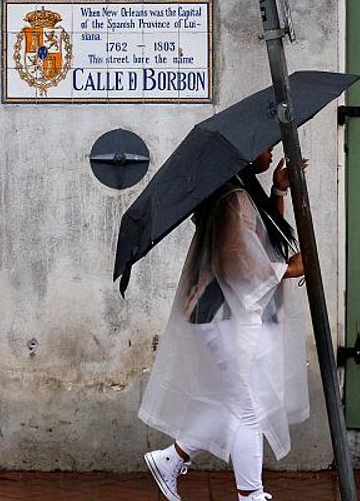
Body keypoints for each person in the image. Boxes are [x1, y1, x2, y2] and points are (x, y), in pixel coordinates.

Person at [139, 147, 310, 501]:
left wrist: (279, 191)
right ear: (247, 156)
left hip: (224, 316)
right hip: (222, 316)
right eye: (266, 148)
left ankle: (171, 459)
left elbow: (264, 241)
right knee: (247, 410)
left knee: (235, 404)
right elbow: (239, 262)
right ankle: (251, 495)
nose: (272, 152)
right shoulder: (233, 198)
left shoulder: (240, 192)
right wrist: (290, 269)